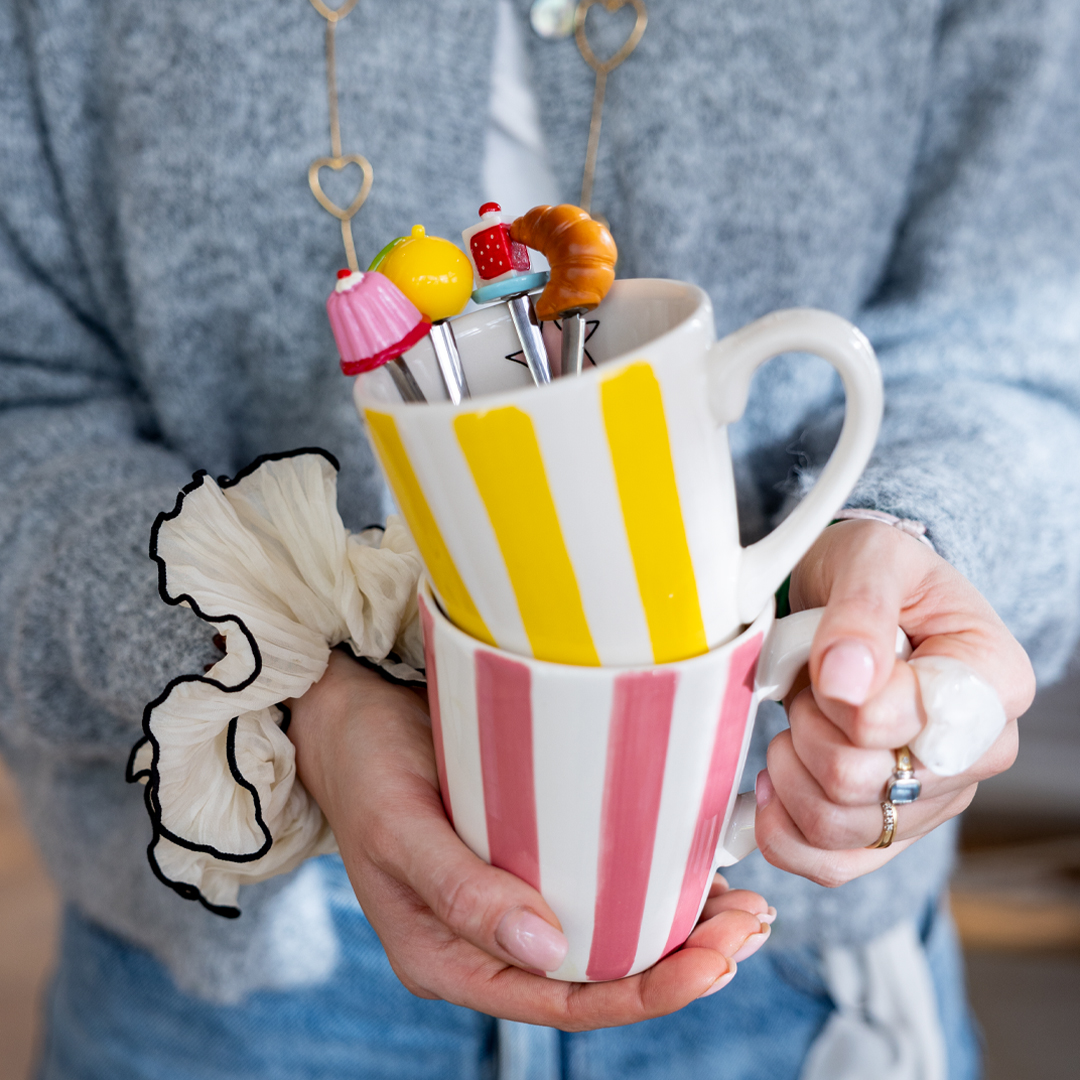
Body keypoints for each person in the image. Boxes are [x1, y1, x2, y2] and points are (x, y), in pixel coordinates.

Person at [0, 0, 1075, 1076]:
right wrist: (292, 700)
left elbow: (1022, 339)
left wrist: (905, 549)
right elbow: (26, 406)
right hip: (236, 975)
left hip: (791, 979)